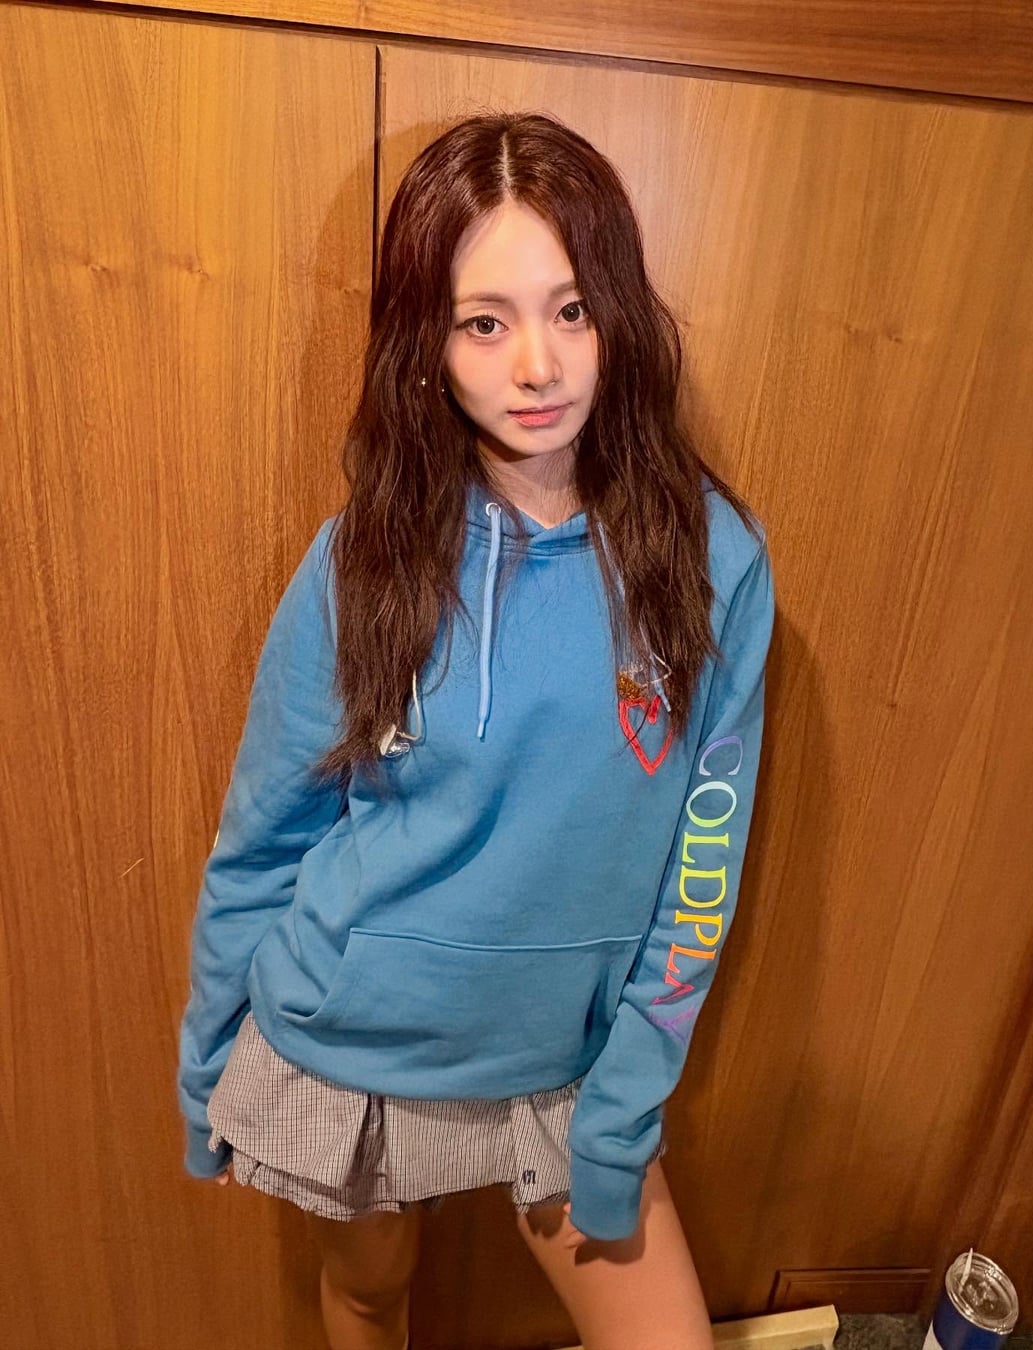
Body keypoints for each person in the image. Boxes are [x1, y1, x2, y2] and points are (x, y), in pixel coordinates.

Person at [177, 110, 775, 1350]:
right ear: (428, 346)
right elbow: (265, 838)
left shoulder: (714, 561)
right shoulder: (360, 562)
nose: (538, 367)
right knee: (366, 1296)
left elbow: (701, 870)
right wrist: (207, 1068)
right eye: (484, 322)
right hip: (351, 1041)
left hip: (569, 1057)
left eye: (571, 309)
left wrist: (625, 1105)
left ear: (619, 312)